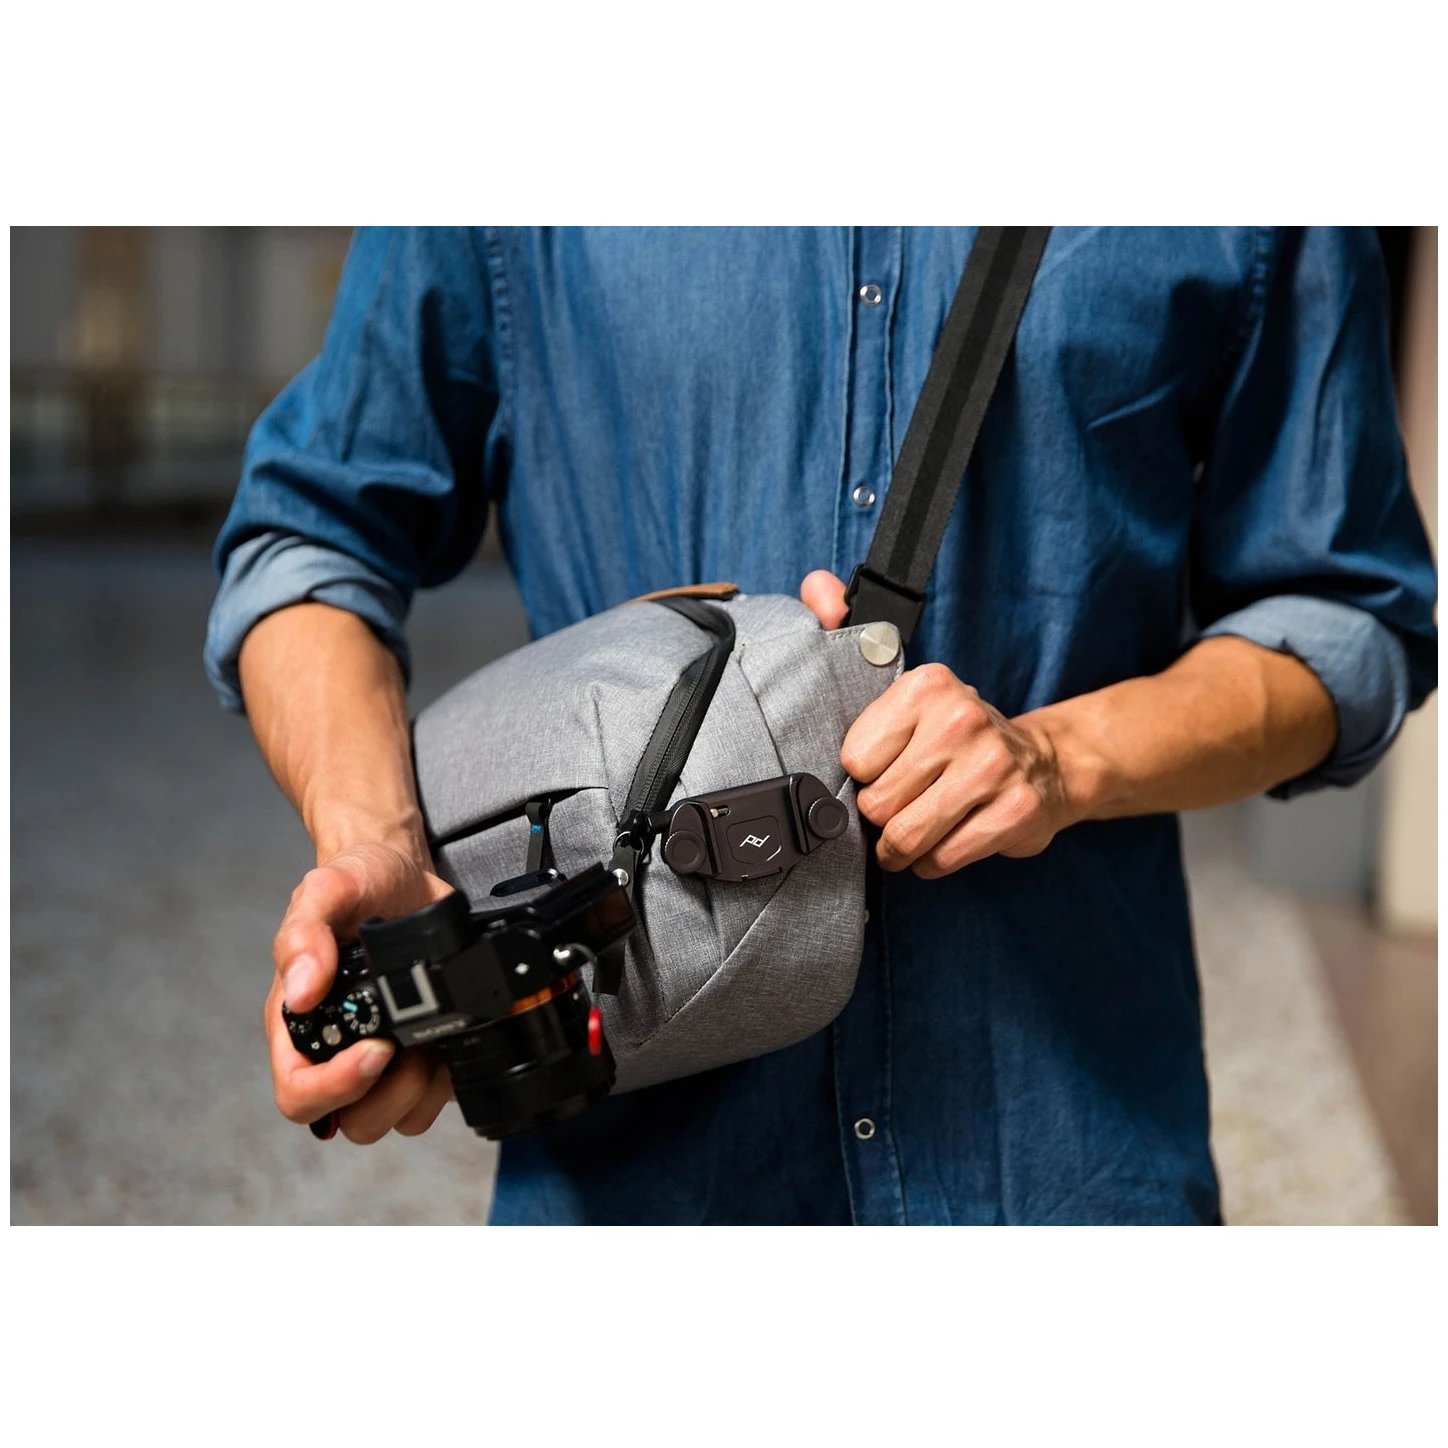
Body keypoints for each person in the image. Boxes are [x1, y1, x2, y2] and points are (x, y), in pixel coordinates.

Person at [206, 227, 1437, 1225]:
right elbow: (311, 536)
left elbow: (1347, 615)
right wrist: (378, 845)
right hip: (643, 1182)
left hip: (1059, 1152)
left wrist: (1061, 758)